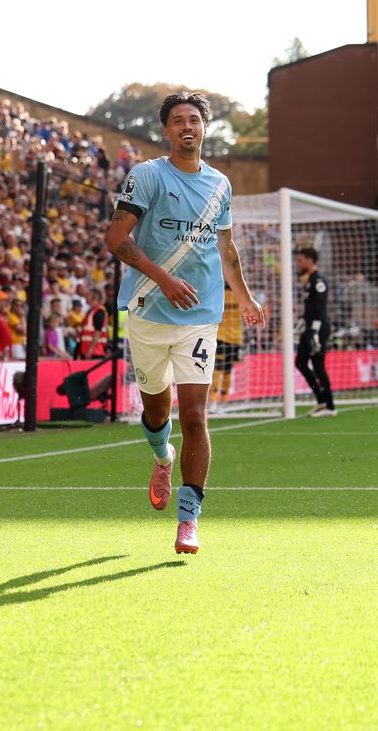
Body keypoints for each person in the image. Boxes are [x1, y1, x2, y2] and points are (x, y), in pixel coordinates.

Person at [105, 91, 264, 555]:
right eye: (178, 120)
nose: (187, 126)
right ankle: (162, 456)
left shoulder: (220, 185)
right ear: (166, 130)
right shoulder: (147, 176)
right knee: (158, 412)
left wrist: (245, 296)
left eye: (194, 119)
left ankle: (189, 518)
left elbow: (226, 249)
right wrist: (165, 279)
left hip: (200, 315)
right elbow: (116, 238)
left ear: (204, 128)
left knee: (194, 414)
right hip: (150, 310)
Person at [295, 247, 336, 415]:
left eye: (301, 260)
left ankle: (329, 406)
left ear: (310, 260)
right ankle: (321, 400)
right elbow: (310, 309)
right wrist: (300, 325)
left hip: (317, 329)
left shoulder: (319, 281)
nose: (298, 264)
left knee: (318, 366)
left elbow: (319, 308)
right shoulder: (310, 281)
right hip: (310, 328)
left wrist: (314, 330)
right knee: (300, 363)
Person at [210, 284, 243, 411]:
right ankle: (220, 402)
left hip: (224, 336)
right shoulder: (241, 295)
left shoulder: (218, 295)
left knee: (220, 368)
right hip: (233, 337)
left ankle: (216, 402)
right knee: (226, 369)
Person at [76, 288, 109, 359]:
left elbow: (98, 331)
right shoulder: (92, 311)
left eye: (88, 295)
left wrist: (90, 349)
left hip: (95, 351)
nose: (86, 296)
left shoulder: (98, 311)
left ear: (94, 297)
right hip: (88, 350)